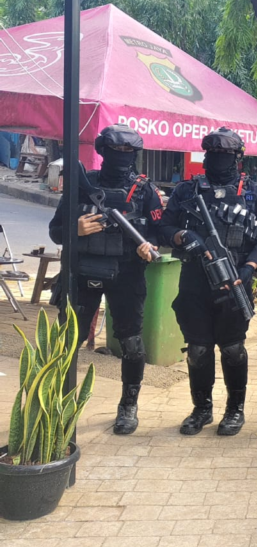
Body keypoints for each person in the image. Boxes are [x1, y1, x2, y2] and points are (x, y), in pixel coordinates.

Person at [158, 128, 257, 436]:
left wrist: (251, 267)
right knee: (198, 349)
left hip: (235, 280)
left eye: (226, 155)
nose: (218, 160)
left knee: (233, 349)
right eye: (213, 154)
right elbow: (164, 227)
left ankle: (235, 410)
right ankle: (202, 409)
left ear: (238, 158)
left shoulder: (254, 193)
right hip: (195, 280)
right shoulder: (187, 191)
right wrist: (182, 235)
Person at [48, 124, 163, 435]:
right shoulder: (83, 184)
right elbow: (55, 231)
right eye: (116, 150)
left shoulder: (145, 191)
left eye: (128, 151)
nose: (122, 156)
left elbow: (159, 234)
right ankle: (58, 404)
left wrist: (149, 247)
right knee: (68, 341)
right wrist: (75, 229)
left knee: (132, 343)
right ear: (102, 151)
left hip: (127, 276)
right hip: (83, 273)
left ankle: (128, 406)